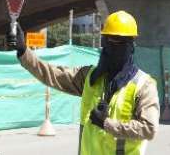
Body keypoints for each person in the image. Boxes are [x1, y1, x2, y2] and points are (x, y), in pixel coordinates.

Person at [9, 10, 159, 155]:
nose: (110, 48)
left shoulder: (143, 85)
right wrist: (24, 52)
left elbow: (149, 128)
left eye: (118, 42)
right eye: (107, 40)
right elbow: (52, 74)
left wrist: (107, 123)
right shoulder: (90, 77)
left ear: (130, 45)